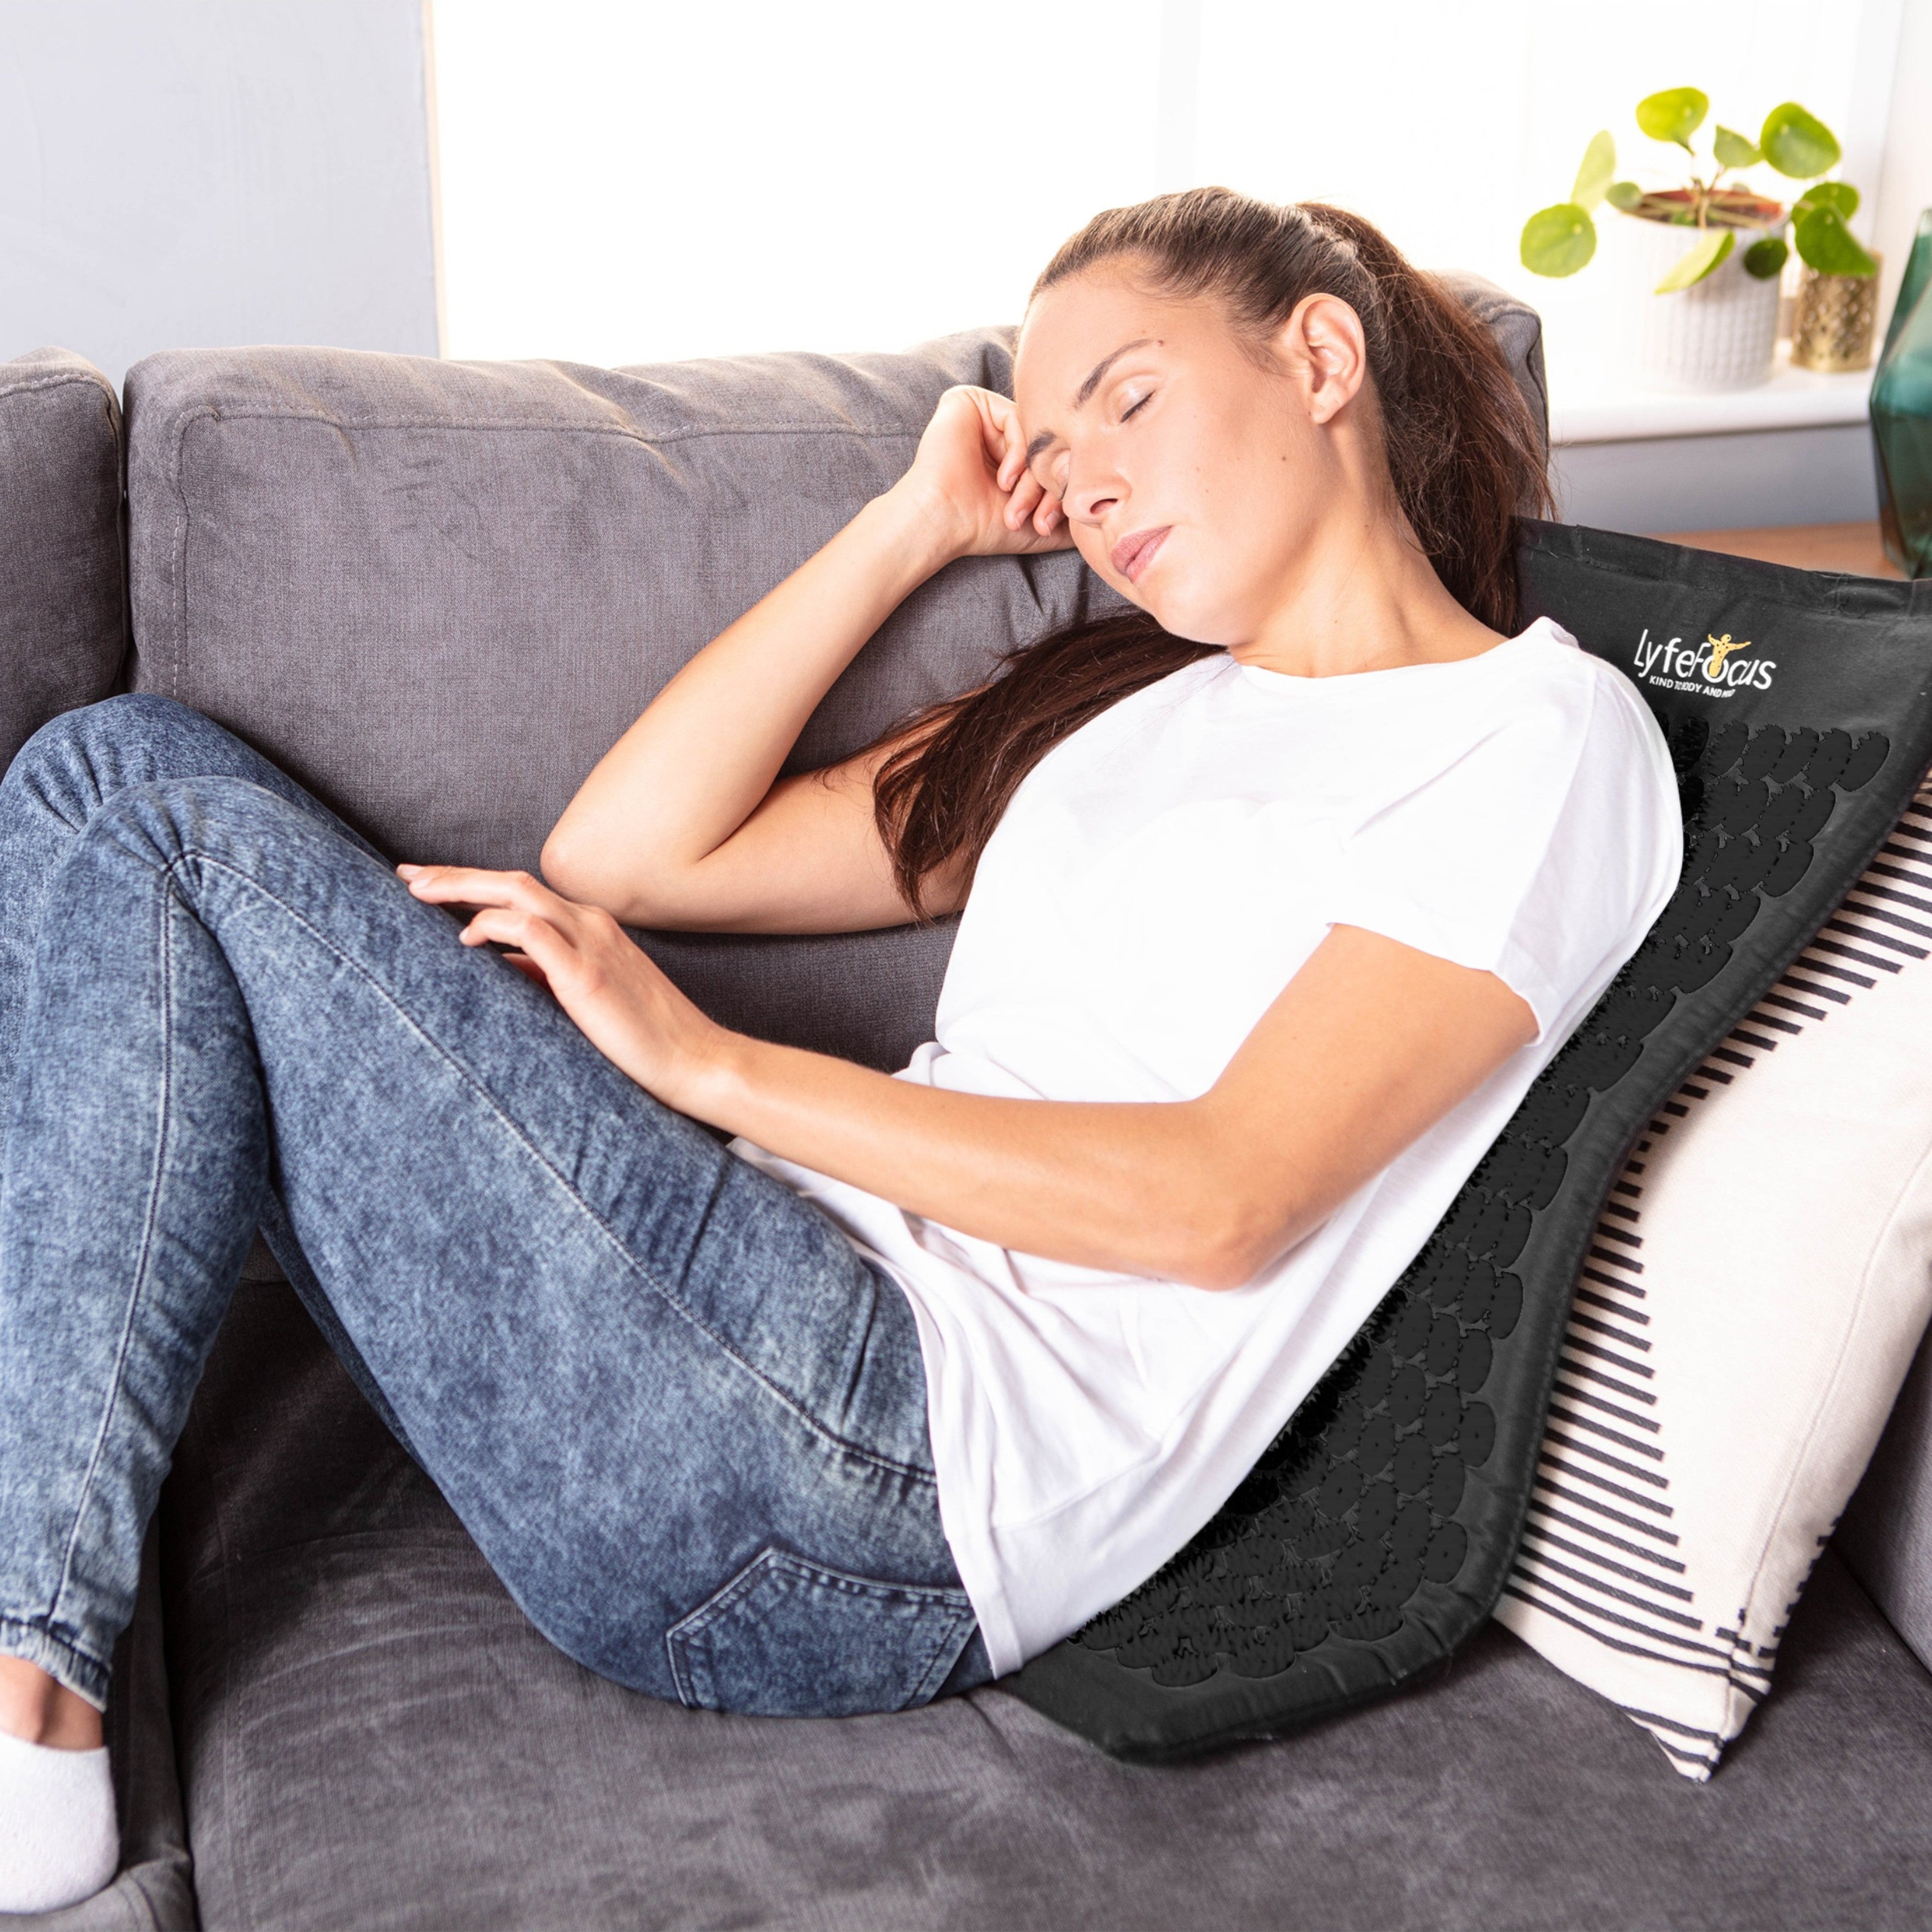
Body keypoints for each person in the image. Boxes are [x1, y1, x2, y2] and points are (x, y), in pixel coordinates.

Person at [0, 188, 1679, 1910]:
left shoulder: (1530, 736)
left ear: (1319, 357)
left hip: (888, 1471)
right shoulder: (1120, 712)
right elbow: (632, 859)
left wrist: (707, 1066)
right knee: (115, 793)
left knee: (130, 798)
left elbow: (1223, 1202)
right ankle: (28, 1693)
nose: (1086, 480)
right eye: (1051, 439)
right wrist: (908, 526)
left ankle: (27, 1707)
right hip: (751, 1334)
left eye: (1129, 396)